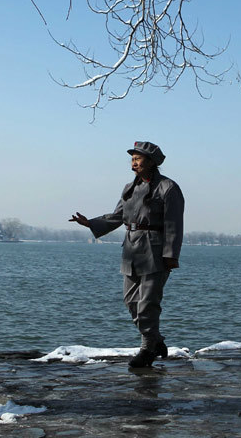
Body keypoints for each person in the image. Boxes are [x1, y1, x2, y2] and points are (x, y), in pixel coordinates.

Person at [70, 141, 184, 368]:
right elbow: (117, 216)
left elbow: (174, 224)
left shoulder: (168, 188)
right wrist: (90, 223)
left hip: (156, 251)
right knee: (131, 301)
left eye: (138, 158)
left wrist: (171, 255)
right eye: (132, 158)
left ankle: (147, 349)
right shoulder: (129, 188)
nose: (134, 161)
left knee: (148, 304)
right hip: (131, 250)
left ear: (151, 162)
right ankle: (156, 339)